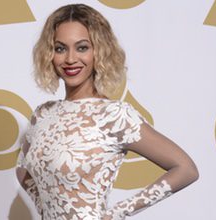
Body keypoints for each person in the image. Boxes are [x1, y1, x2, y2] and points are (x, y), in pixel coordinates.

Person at [16, 4, 199, 220]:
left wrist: (114, 214)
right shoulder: (43, 114)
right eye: (60, 48)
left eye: (82, 47)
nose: (70, 59)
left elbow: (186, 169)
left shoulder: (114, 116)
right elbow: (22, 167)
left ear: (99, 51)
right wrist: (44, 208)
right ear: (49, 54)